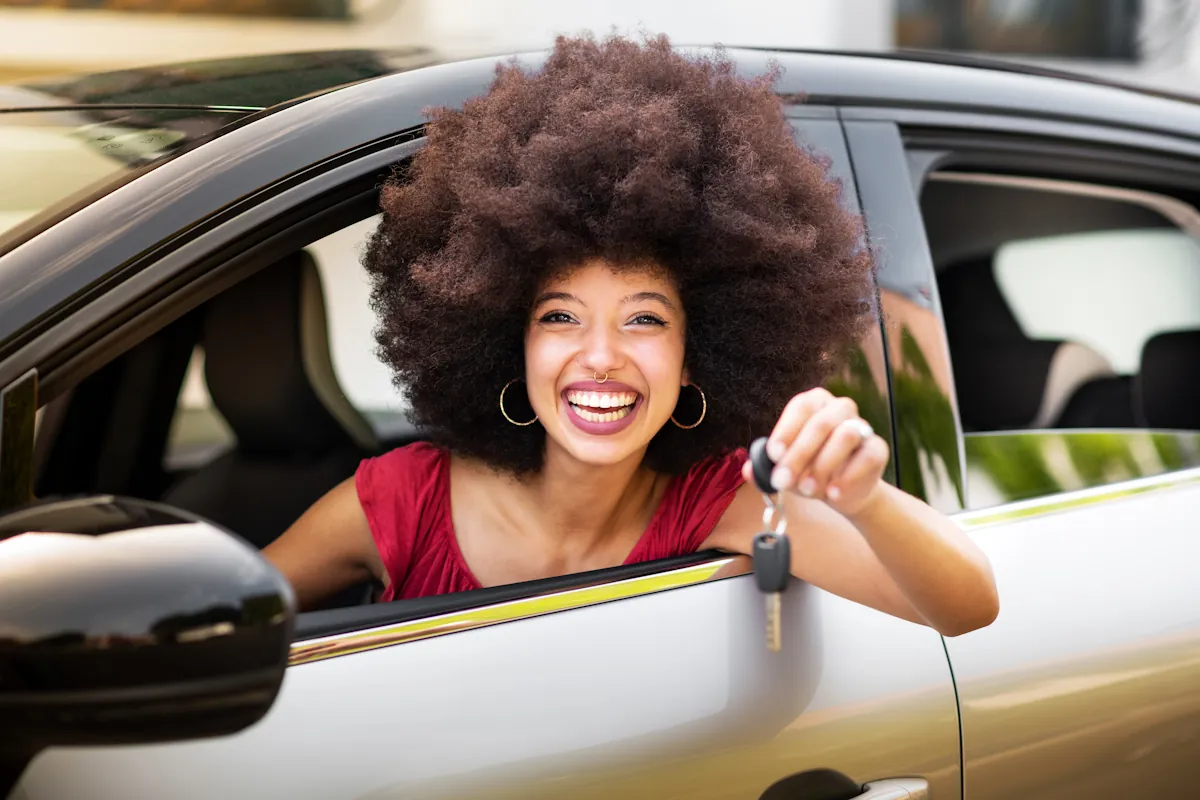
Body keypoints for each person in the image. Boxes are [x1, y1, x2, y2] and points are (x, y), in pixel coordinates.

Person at [265, 33, 999, 636]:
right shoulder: (401, 499)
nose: (601, 357)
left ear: (697, 356)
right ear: (506, 343)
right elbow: (197, 632)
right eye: (559, 316)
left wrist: (864, 496)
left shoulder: (724, 500)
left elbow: (967, 608)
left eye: (645, 318)